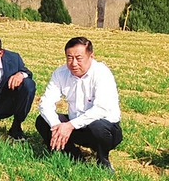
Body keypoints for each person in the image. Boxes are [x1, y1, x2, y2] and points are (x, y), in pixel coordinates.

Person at [36, 37, 122, 171]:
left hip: (104, 129)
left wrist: (70, 126)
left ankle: (103, 159)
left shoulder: (102, 73)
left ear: (91, 56)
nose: (73, 63)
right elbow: (45, 103)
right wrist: (56, 126)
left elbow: (101, 109)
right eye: (69, 58)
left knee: (97, 127)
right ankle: (72, 154)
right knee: (42, 121)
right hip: (75, 125)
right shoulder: (60, 73)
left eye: (79, 58)